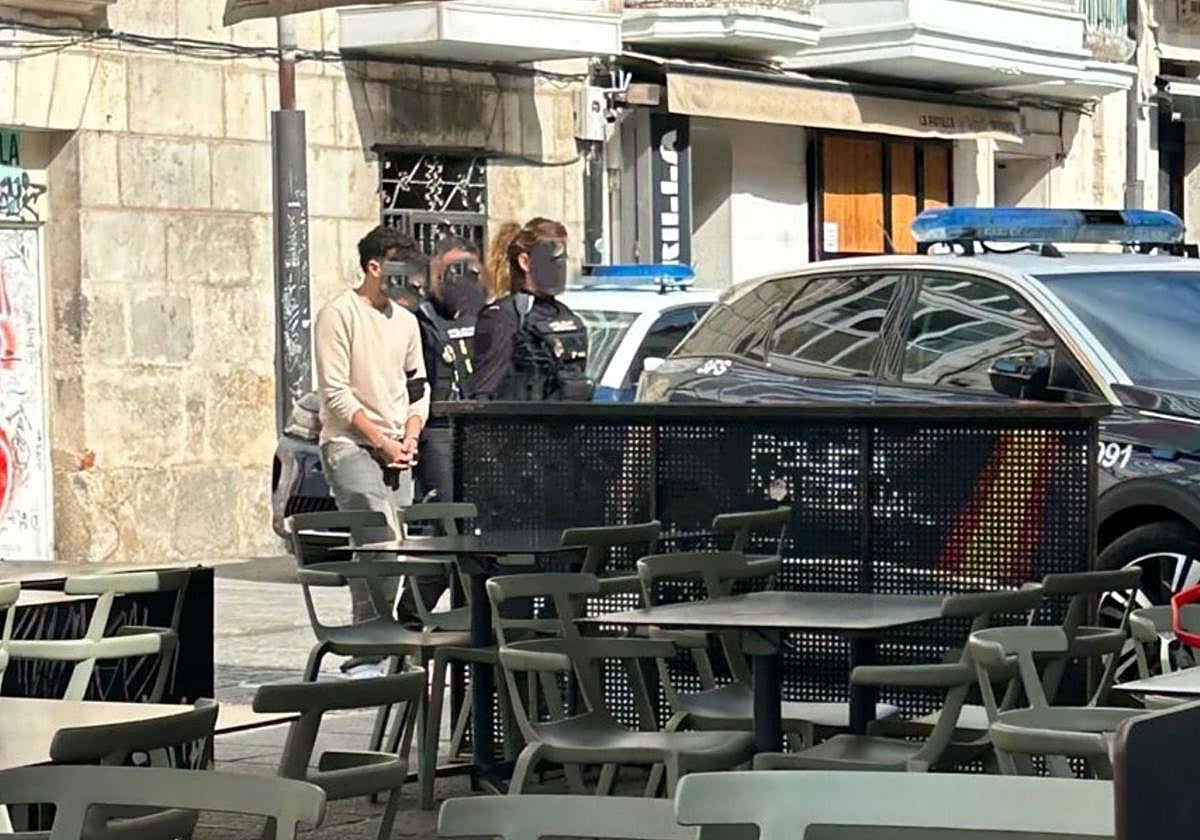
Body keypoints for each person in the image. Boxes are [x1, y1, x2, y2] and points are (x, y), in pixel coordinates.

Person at [314, 225, 429, 675]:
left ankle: (383, 640)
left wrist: (410, 435)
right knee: (376, 538)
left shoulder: (406, 321)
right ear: (374, 266)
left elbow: (418, 385)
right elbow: (336, 393)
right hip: (351, 443)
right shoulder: (338, 315)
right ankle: (366, 648)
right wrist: (380, 440)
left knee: (398, 547)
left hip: (399, 444)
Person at [385, 232, 489, 624]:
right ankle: (413, 611)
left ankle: (466, 615)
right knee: (451, 522)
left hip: (481, 432)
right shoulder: (419, 320)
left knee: (474, 531)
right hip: (439, 431)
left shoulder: (486, 316)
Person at [469, 217, 594, 401]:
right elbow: (484, 393)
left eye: (562, 260)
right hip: (522, 426)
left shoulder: (565, 315)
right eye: (552, 260)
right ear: (525, 262)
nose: (559, 269)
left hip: (568, 426)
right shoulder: (503, 317)